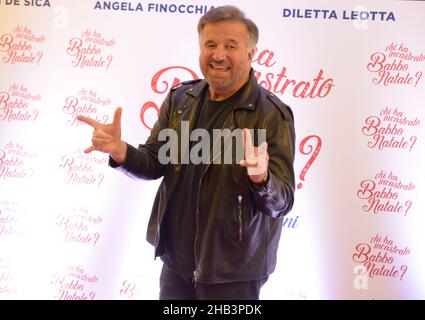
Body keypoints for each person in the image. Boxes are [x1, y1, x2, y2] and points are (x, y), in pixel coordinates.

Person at [77, 5, 295, 300]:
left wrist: (261, 178)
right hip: (175, 263)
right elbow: (154, 161)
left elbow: (282, 202)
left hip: (233, 272)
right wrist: (120, 151)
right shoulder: (182, 99)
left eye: (231, 46)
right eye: (210, 44)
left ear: (250, 54)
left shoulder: (271, 114)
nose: (218, 55)